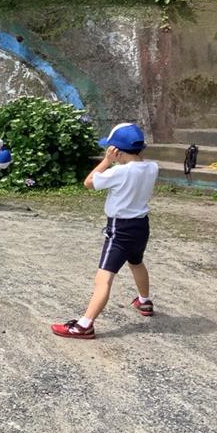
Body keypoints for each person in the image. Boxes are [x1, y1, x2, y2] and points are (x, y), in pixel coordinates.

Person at [51, 123, 159, 339]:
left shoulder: (119, 171)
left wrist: (106, 161)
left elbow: (88, 182)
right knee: (136, 262)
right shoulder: (152, 167)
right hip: (141, 226)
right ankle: (144, 301)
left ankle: (84, 325)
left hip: (120, 228)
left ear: (117, 151)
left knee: (104, 278)